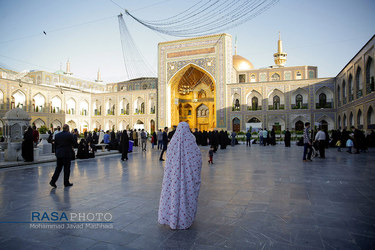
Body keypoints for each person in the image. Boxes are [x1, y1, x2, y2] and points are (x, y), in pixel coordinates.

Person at [158, 122, 202, 230]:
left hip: (173, 179)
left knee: (173, 195)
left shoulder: (172, 143)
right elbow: (197, 159)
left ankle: (172, 219)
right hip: (187, 179)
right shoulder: (191, 142)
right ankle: (184, 219)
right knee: (186, 195)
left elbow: (169, 161)